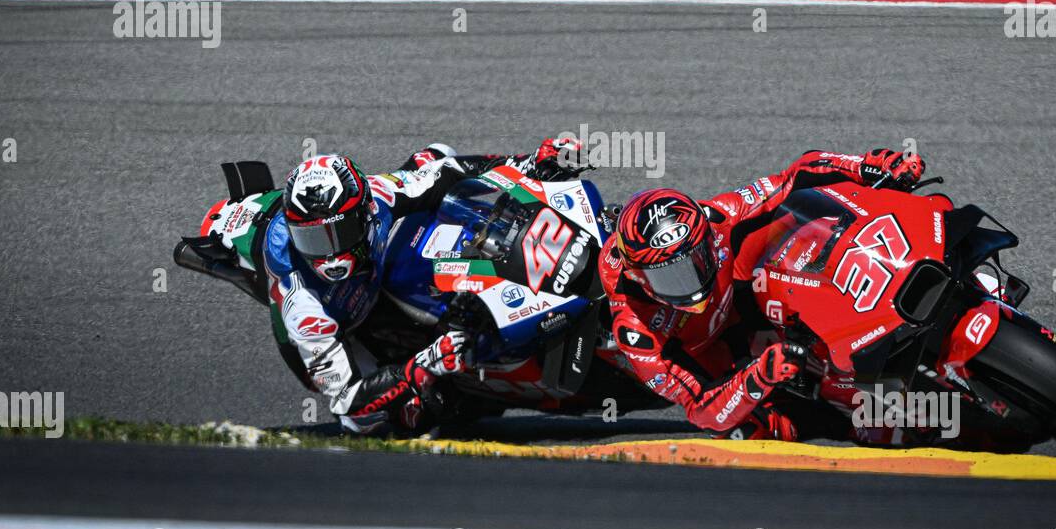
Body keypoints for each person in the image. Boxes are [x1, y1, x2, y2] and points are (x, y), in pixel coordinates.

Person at [597, 147, 925, 440]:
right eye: (670, 277)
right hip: (717, 362)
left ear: (706, 237)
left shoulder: (718, 216)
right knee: (738, 429)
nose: (690, 284)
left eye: (696, 261)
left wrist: (869, 165)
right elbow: (701, 411)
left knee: (795, 218)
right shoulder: (636, 331)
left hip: (746, 301)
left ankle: (874, 283)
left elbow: (795, 175)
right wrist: (758, 376)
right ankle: (847, 425)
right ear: (638, 277)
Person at [266, 138, 580, 434]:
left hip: (372, 278)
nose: (330, 257)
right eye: (313, 239)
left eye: (339, 232)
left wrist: (529, 164)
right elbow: (349, 408)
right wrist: (422, 365)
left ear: (365, 213)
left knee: (434, 155)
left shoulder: (378, 195)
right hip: (345, 327)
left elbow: (445, 171)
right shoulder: (303, 308)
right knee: (411, 416)